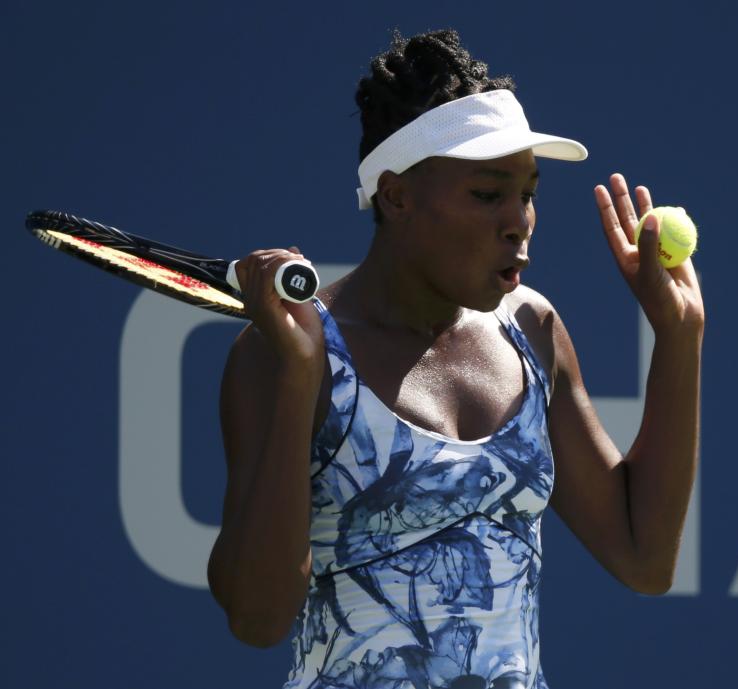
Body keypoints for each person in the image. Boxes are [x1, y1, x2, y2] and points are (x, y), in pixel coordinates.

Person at [207, 29, 704, 689]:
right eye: (486, 193)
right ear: (397, 196)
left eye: (527, 192)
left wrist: (679, 338)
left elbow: (645, 557)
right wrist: (301, 379)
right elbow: (257, 617)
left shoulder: (532, 328)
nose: (519, 220)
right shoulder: (281, 354)